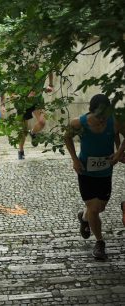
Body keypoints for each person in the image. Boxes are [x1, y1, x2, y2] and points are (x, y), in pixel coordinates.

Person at [64, 94, 125, 260]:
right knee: (94, 208)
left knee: (100, 208)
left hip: (105, 172)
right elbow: (67, 137)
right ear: (91, 112)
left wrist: (119, 154)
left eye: (105, 116)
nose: (102, 120)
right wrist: (75, 160)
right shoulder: (79, 123)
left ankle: (83, 217)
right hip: (86, 171)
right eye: (99, 116)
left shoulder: (114, 122)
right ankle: (100, 243)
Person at [17, 64, 54, 159]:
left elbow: (50, 69)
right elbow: (15, 90)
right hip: (25, 103)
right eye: (31, 66)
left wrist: (50, 85)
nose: (33, 68)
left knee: (42, 122)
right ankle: (20, 150)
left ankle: (33, 133)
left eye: (35, 66)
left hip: (38, 101)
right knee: (23, 129)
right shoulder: (22, 75)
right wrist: (25, 94)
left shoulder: (42, 71)